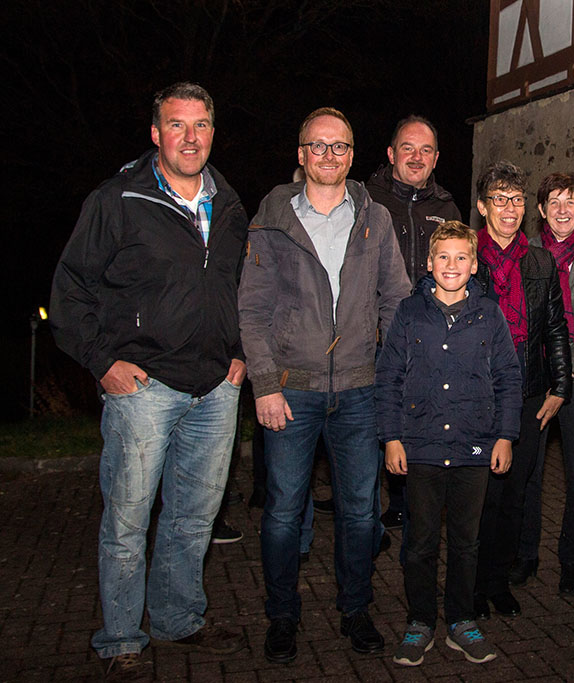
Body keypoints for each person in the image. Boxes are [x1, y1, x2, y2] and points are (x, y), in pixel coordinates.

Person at [49, 82, 248, 678]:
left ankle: (178, 619)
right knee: (129, 518)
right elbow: (71, 289)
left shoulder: (231, 206)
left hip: (215, 389)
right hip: (144, 389)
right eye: (178, 125)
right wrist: (103, 362)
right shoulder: (119, 199)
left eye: (202, 125)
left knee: (193, 517)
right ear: (156, 133)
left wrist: (238, 354)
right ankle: (120, 636)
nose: (191, 137)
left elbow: (239, 290)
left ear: (214, 131)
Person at [238, 107, 411, 662]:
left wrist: (392, 379)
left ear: (352, 155)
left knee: (361, 511)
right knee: (285, 510)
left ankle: (355, 608)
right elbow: (253, 308)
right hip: (291, 391)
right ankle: (282, 616)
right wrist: (264, 384)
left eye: (339, 146)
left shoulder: (375, 218)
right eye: (318, 145)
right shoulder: (271, 219)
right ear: (301, 154)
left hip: (361, 391)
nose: (329, 155)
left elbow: (397, 301)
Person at [377, 221, 522, 667]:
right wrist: (391, 437)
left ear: (475, 265)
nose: (452, 265)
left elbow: (509, 379)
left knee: (466, 540)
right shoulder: (408, 313)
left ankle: (461, 620)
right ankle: (420, 620)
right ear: (429, 263)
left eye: (462, 257)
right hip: (419, 446)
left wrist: (505, 435)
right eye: (443, 257)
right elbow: (388, 378)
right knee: (419, 542)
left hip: (473, 447)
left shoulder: (490, 315)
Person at [472, 160, 572, 620]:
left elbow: (554, 326)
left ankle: (497, 580)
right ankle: (471, 584)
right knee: (478, 496)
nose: (509, 209)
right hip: (476, 395)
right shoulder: (465, 256)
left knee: (514, 493)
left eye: (516, 200)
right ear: (482, 206)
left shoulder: (540, 261)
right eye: (499, 199)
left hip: (529, 393)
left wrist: (560, 385)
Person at [509, 172, 574, 595]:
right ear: (540, 211)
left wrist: (567, 369)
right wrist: (546, 368)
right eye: (554, 202)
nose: (563, 210)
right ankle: (526, 555)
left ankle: (572, 558)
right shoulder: (526, 254)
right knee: (528, 470)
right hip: (535, 373)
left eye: (571, 201)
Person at [367, 115, 462, 533]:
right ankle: (366, 519)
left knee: (419, 418)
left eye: (426, 150)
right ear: (391, 154)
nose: (416, 157)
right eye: (408, 148)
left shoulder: (447, 207)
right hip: (372, 335)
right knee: (372, 425)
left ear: (437, 157)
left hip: (427, 338)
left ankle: (407, 505)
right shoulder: (365, 200)